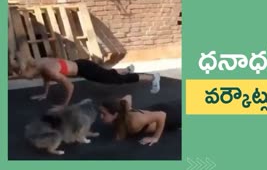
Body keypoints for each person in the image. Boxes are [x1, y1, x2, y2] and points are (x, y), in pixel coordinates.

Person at [12, 54, 160, 107]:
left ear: (28, 69)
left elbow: (70, 86)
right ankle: (127, 69)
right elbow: (46, 78)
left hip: (85, 70)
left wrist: (64, 105)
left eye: (25, 75)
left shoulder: (47, 69)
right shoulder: (40, 63)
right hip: (81, 64)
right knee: (106, 73)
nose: (27, 78)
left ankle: (152, 77)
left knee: (117, 81)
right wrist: (44, 94)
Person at [99, 94, 181, 146]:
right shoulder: (122, 111)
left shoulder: (134, 121)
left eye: (104, 114)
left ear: (115, 114)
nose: (101, 116)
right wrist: (125, 105)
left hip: (171, 116)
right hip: (155, 109)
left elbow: (162, 115)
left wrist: (155, 138)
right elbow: (128, 96)